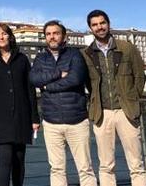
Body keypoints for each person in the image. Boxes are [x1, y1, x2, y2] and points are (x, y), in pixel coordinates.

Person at [82, 10, 146, 186]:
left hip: (126, 110)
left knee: (136, 164)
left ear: (109, 24)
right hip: (101, 113)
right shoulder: (87, 53)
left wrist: (133, 97)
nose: (99, 27)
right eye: (95, 24)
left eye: (102, 23)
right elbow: (88, 82)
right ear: (90, 28)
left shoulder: (127, 48)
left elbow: (140, 75)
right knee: (106, 165)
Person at [29, 20, 97, 186]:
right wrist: (59, 73)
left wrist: (47, 86)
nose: (52, 37)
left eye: (56, 33)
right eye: (48, 34)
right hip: (51, 122)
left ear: (63, 36)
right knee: (56, 169)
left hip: (77, 121)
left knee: (85, 168)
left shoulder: (75, 55)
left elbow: (76, 79)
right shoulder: (40, 57)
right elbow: (34, 79)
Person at [0, 23, 39, 186]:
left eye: (4, 33)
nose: (1, 37)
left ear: (10, 36)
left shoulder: (22, 59)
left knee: (19, 160)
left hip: (21, 116)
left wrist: (35, 118)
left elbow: (30, 89)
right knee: (5, 159)